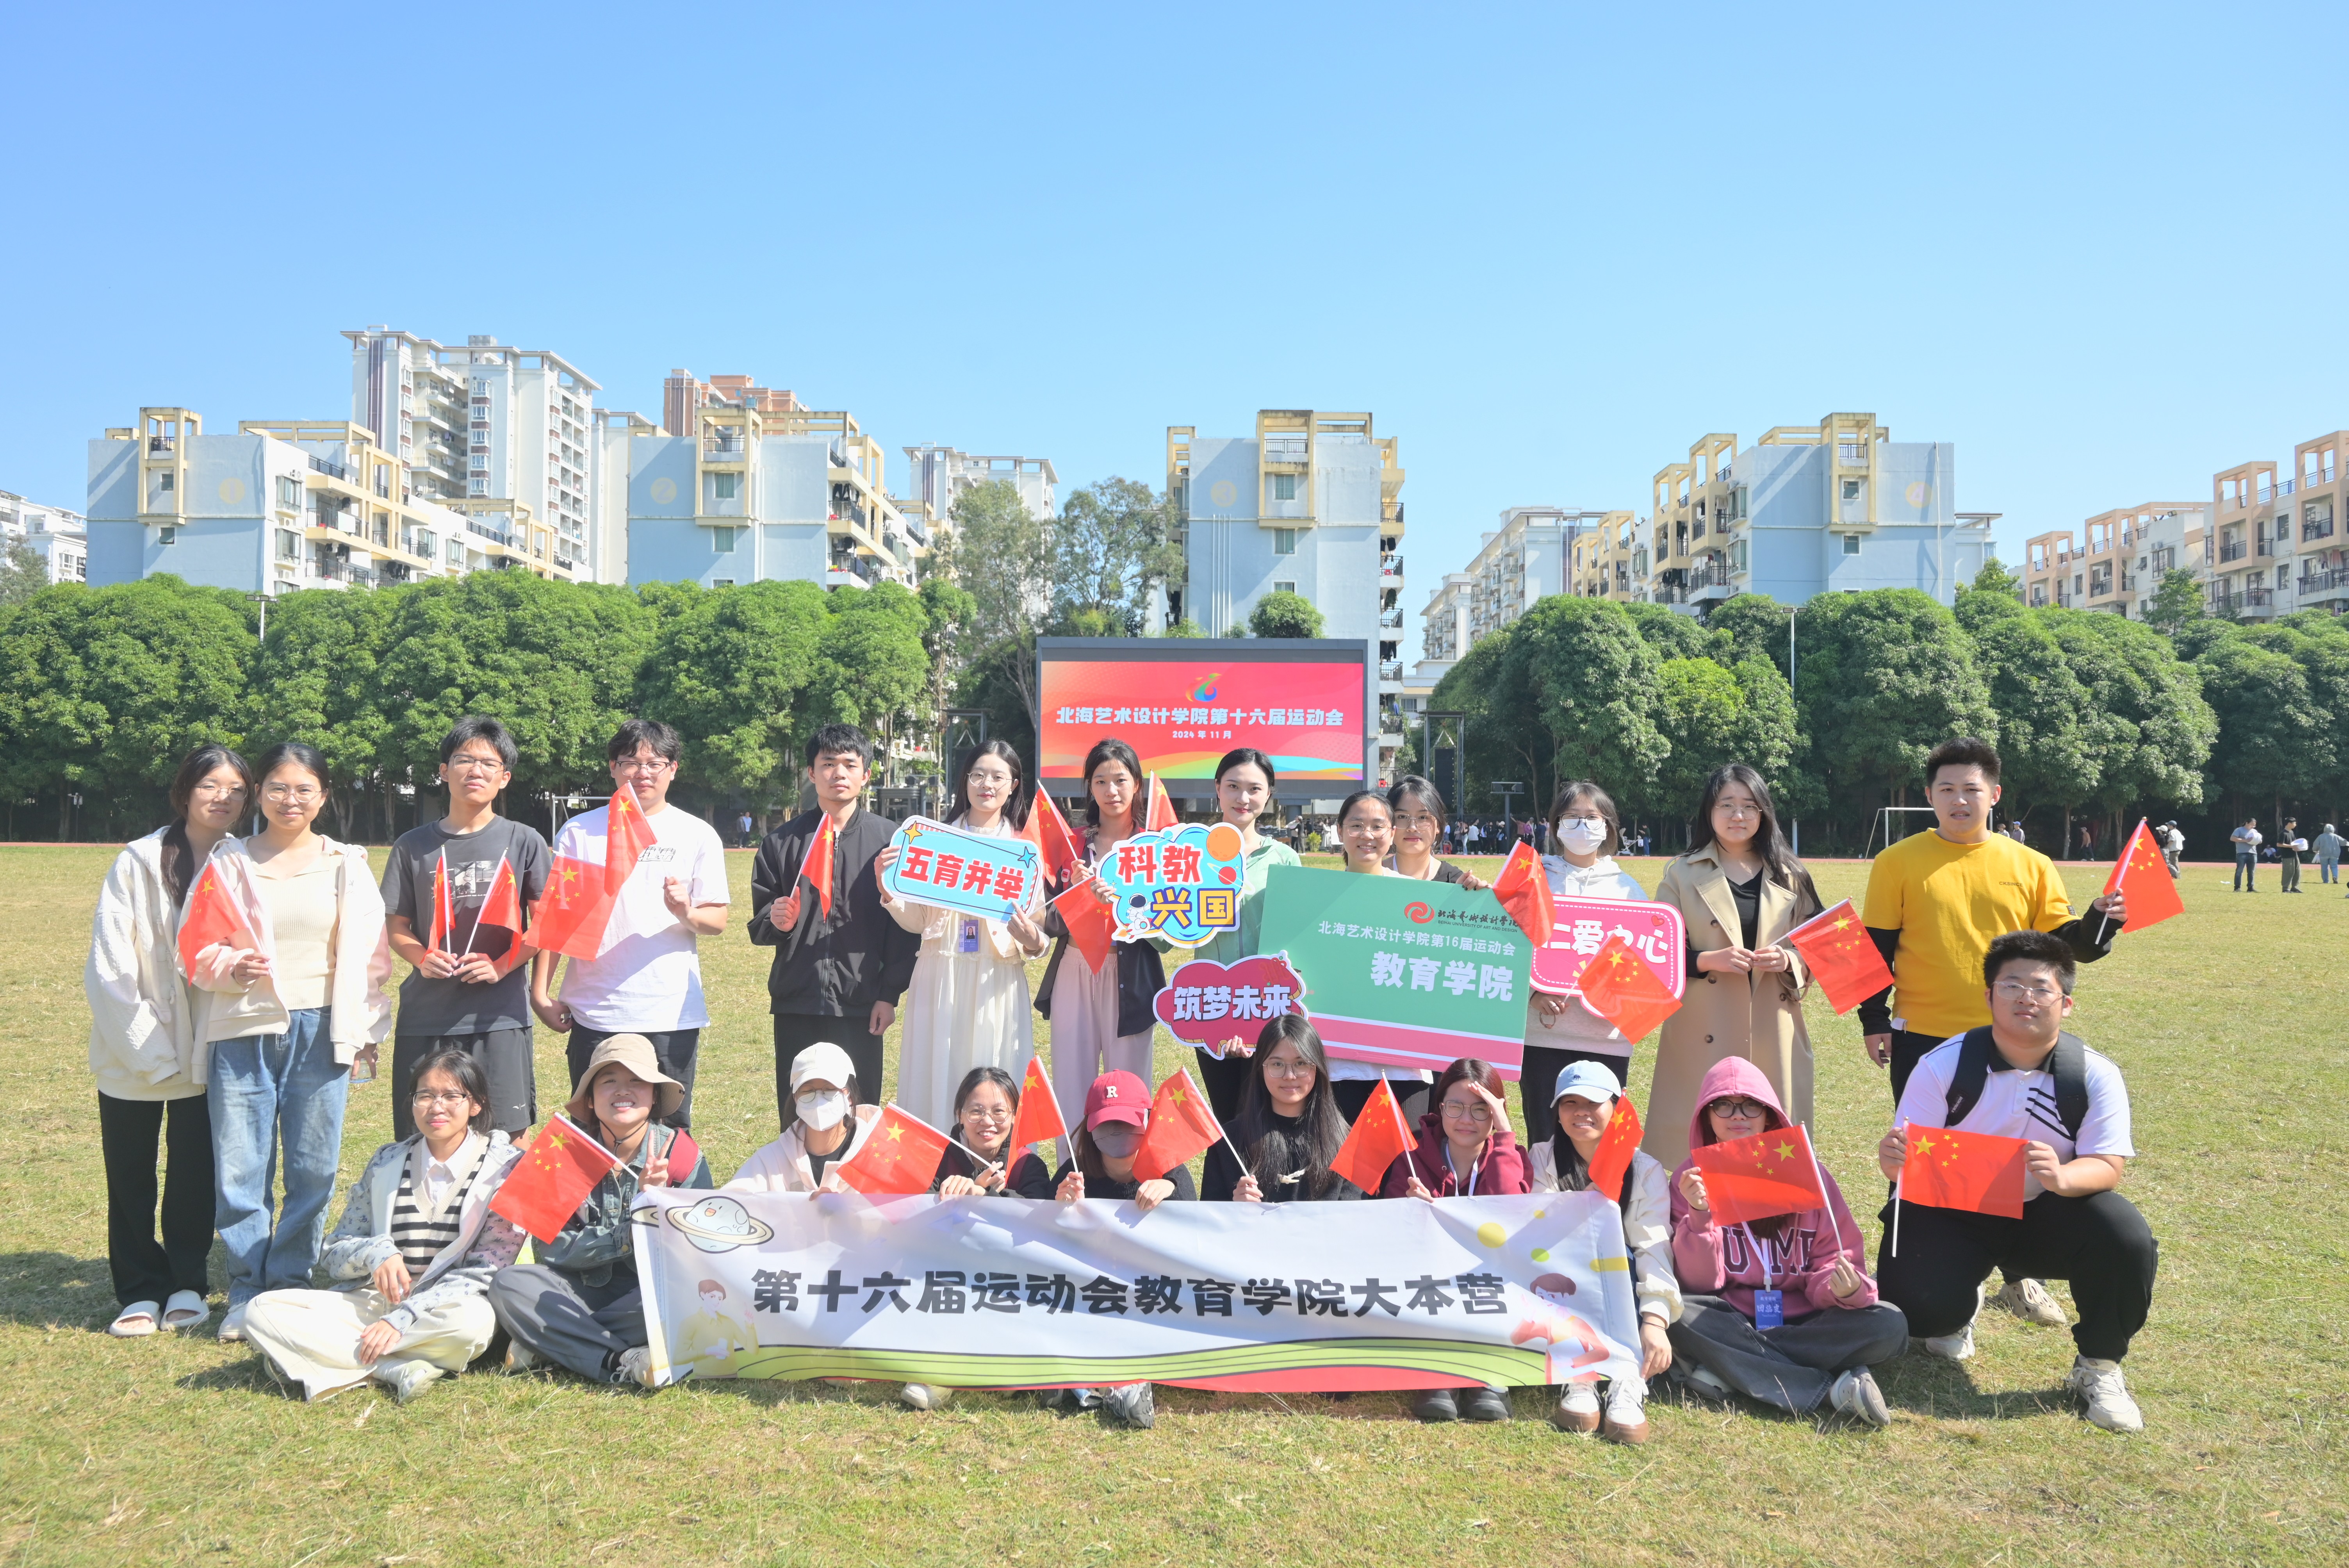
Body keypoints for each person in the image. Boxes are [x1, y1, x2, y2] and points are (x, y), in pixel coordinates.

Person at [1874, 930, 2157, 1433]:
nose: (2026, 997)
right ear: (1988, 996)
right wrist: (1893, 1161)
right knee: (1917, 1314)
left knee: (2123, 1233)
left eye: (2041, 988)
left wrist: (2063, 1176)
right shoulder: (1941, 1065)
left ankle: (2098, 1366)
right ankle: (1959, 1304)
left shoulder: (2093, 1074)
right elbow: (1909, 1164)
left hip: (2046, 1212)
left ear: (2065, 1003)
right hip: (1956, 1212)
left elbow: (2108, 1164)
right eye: (2010, 985)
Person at [185, 741, 393, 1342]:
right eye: (278, 787)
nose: (290, 800)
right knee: (241, 1168)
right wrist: (230, 966)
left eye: (304, 789)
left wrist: (365, 1032)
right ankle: (247, 1289)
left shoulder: (346, 864)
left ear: (324, 797)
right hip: (241, 1029)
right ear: (260, 793)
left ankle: (290, 1283)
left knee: (313, 1168)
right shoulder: (229, 863)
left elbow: (372, 960)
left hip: (321, 1030)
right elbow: (194, 947)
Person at [241, 1048, 523, 1402]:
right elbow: (335, 1250)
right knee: (260, 1311)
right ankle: (393, 1369)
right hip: (375, 1301)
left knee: (473, 1326)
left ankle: (319, 1354)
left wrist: (406, 1316)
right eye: (425, 1096)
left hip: (447, 1306)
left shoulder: (505, 1170)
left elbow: (487, 1269)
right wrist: (376, 1253)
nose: (437, 1107)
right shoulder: (387, 1162)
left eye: (452, 1096)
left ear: (476, 1105)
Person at [86, 743, 253, 1338]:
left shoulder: (243, 862)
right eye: (211, 785)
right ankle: (138, 1288)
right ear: (185, 791)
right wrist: (149, 1052)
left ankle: (186, 1280)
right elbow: (110, 966)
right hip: (133, 1047)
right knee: (130, 1172)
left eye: (236, 789)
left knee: (194, 1171)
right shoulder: (138, 860)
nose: (223, 798)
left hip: (209, 1044)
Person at [1666, 1058, 1902, 1428]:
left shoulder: (1807, 1171)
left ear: (1769, 1115)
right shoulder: (1690, 1178)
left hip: (1808, 1317)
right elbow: (1698, 1283)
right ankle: (1831, 1390)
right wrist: (1699, 1215)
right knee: (1679, 1314)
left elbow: (1835, 1252)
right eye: (1723, 1105)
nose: (1737, 1115)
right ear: (1707, 1117)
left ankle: (1730, 1366)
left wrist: (1844, 1288)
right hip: (1730, 1316)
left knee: (1889, 1324)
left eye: (1751, 1105)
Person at [532, 719, 729, 1130]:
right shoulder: (580, 832)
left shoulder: (696, 834)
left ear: (673, 769)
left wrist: (686, 912)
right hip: (595, 1010)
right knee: (595, 1126)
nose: (643, 773)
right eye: (630, 762)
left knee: (670, 1128)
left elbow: (717, 921)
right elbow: (558, 918)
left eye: (655, 763)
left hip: (669, 1010)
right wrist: (540, 993)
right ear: (613, 767)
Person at [488, 1035, 712, 1388]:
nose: (623, 1091)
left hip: (645, 1297)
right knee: (509, 1285)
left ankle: (555, 1342)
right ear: (590, 1099)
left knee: (688, 1296)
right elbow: (554, 1250)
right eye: (609, 1081)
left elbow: (697, 1252)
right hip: (577, 1290)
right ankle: (622, 1359)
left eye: (637, 1081)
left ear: (655, 1095)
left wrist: (654, 1206)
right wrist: (629, 1230)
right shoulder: (560, 1152)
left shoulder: (682, 1157)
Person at [380, 716, 550, 1139]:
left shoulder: (524, 840)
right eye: (464, 760)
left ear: (504, 777)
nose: (476, 770)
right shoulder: (412, 845)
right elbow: (396, 925)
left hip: (500, 1016)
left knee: (507, 1136)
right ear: (444, 771)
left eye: (489, 764)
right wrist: (422, 958)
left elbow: (548, 923)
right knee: (424, 1136)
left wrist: (502, 966)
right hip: (427, 1016)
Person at [1645, 764, 1822, 1169]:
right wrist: (1710, 960)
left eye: (1749, 806)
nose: (1737, 815)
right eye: (1726, 804)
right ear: (1709, 811)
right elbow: (1656, 952)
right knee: (1699, 1147)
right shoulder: (1681, 873)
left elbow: (1823, 948)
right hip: (1703, 1026)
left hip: (1772, 1025)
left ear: (1764, 813)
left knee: (1773, 1146)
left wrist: (1789, 959)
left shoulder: (1792, 874)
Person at [751, 724, 917, 1126]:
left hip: (861, 1003)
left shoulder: (891, 843)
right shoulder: (782, 842)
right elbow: (760, 923)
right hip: (797, 999)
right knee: (797, 1112)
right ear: (811, 773)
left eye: (849, 764)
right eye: (827, 764)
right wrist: (776, 920)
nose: (838, 773)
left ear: (866, 774)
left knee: (858, 1112)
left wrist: (888, 996)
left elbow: (904, 932)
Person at [877, 740, 1047, 1128]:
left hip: (997, 980)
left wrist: (1031, 938)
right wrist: (888, 892)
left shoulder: (1024, 855)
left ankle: (997, 1161)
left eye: (998, 777)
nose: (987, 784)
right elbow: (918, 921)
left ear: (1014, 785)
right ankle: (936, 1160)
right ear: (965, 781)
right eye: (978, 775)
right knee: (935, 1072)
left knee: (996, 1071)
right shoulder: (932, 841)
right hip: (940, 975)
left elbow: (1037, 933)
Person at [887, 1065, 1060, 1413]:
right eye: (976, 1111)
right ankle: (939, 1374)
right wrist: (946, 1200)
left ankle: (1006, 1361)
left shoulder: (1028, 1165)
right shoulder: (937, 1156)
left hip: (1006, 1282)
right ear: (959, 1114)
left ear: (1015, 1116)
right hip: (945, 1279)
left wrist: (986, 1198)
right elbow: (910, 1218)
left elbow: (1037, 1223)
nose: (988, 1122)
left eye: (999, 1112)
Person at [1529, 1061, 1677, 1444]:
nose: (1581, 1112)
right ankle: (1580, 1374)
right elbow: (1542, 1236)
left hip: (1623, 1291)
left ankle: (1627, 1377)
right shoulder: (1542, 1158)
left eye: (1593, 1102)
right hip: (1562, 1289)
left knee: (1621, 1255)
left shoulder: (1645, 1170)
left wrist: (1655, 1321)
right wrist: (1590, 1200)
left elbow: (1652, 1246)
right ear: (1557, 1111)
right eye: (1570, 1103)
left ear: (1616, 1107)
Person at [1035, 739, 1167, 1164]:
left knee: (1129, 1083)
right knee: (1071, 1078)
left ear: (1137, 784)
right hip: (1075, 968)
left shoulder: (1156, 847)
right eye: (1101, 781)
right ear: (1089, 787)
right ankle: (1071, 1174)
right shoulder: (1072, 844)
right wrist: (1076, 893)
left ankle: (1126, 1174)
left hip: (1132, 975)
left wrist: (1129, 906)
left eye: (1121, 780)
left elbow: (1169, 932)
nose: (1112, 791)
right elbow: (1048, 921)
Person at [1381, 1058, 1527, 1424]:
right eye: (1455, 1107)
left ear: (1497, 1113)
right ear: (1440, 1107)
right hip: (1432, 1286)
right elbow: (1392, 1236)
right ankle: (1439, 1373)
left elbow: (1511, 1216)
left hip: (1492, 1287)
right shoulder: (1412, 1161)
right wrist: (1413, 1211)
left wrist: (1505, 1135)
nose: (1466, 1120)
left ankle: (1489, 1376)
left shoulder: (1513, 1157)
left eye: (1481, 1110)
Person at [1051, 1070, 1194, 1429]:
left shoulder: (1171, 1171)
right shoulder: (1074, 1172)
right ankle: (1097, 1383)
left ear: (1147, 1122)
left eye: (1127, 1123)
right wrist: (1058, 1208)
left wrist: (1171, 1191)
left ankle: (1114, 1384)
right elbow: (1043, 1246)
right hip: (1093, 1296)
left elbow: (1194, 1241)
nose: (1117, 1133)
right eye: (1107, 1124)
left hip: (1150, 1297)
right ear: (1090, 1127)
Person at [1521, 780, 1651, 1146]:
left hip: (1606, 1038)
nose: (1582, 826)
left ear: (1608, 826)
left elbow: (1646, 961)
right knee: (1545, 1139)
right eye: (1571, 817)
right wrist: (1532, 996)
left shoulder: (1627, 889)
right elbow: (1508, 945)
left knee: (1600, 1142)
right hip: (1543, 1036)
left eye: (1592, 818)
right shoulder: (1534, 880)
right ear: (1555, 825)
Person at [1184, 748, 1303, 1124]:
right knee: (1227, 1117)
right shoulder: (1188, 856)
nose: (1243, 798)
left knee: (1269, 1117)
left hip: (1266, 1005)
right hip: (1211, 1003)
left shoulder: (1284, 859)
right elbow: (1164, 936)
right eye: (1233, 786)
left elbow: (1297, 935)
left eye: (1255, 789)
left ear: (1269, 794)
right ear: (1217, 789)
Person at [1324, 789, 1433, 1123]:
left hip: (1406, 1063)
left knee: (1409, 1153)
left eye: (1377, 826)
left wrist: (1478, 899)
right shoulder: (1316, 896)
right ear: (1340, 831)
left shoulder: (1418, 896)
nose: (1367, 835)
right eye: (1356, 825)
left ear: (1392, 833)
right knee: (1343, 1155)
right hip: (1338, 1063)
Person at [1203, 1014, 1362, 1202]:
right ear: (1261, 1069)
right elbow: (1208, 1215)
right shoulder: (1229, 1142)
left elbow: (1356, 1216)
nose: (1289, 1076)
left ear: (1318, 1068)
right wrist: (1234, 1207)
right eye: (1277, 1064)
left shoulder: (1346, 1143)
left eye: (1301, 1064)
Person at [725, 1041, 882, 1193]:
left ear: (849, 1096)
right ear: (796, 1099)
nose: (819, 1099)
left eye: (830, 1089)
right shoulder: (770, 1162)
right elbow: (729, 1203)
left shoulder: (878, 1155)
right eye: (808, 1091)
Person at [1385, 774, 1488, 890]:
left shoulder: (1455, 883)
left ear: (1438, 825)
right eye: (1402, 817)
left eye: (1423, 817)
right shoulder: (1373, 877)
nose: (1412, 827)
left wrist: (1472, 897)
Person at [2230, 816, 2261, 892]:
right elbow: (2233, 838)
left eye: (2254, 825)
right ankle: (2237, 887)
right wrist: (2245, 840)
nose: (2253, 827)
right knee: (2239, 871)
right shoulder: (2239, 830)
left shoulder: (2255, 831)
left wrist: (2258, 840)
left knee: (2251, 872)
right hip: (2242, 853)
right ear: (2247, 823)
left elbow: (2260, 841)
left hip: (2253, 853)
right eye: (2252, 825)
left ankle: (2251, 887)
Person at [2278, 818, 2306, 893]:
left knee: (2298, 871)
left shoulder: (2292, 832)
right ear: (2289, 824)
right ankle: (2286, 888)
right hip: (2287, 856)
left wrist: (2299, 847)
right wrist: (2291, 847)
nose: (2295, 825)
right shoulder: (2284, 833)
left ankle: (2295, 888)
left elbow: (2295, 843)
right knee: (2288, 872)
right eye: (2294, 823)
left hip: (2295, 855)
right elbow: (2279, 844)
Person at [2318, 823, 2345, 887]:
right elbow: (2344, 842)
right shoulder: (2336, 837)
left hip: (2324, 854)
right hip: (2334, 854)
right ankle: (2335, 876)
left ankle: (2326, 880)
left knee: (2324, 867)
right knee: (2334, 866)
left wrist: (2315, 850)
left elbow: (2316, 845)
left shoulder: (2321, 837)